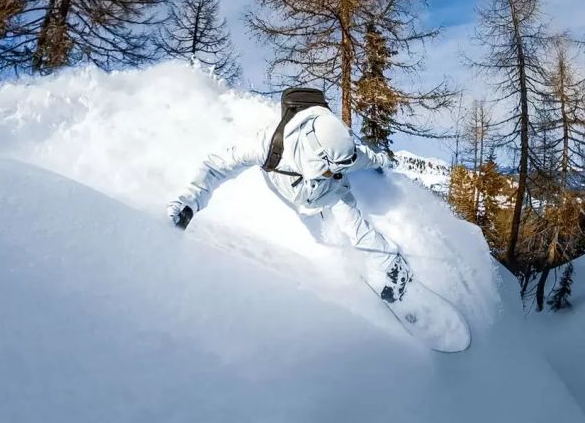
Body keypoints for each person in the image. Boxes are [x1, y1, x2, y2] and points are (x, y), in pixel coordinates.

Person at [167, 100, 412, 303]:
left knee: (354, 225)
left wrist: (386, 163)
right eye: (330, 167)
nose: (336, 170)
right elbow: (215, 167)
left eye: (341, 166)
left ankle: (393, 264)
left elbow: (367, 159)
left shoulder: (344, 151)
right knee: (316, 240)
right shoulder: (266, 145)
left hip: (330, 193)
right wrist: (189, 203)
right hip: (294, 198)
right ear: (315, 153)